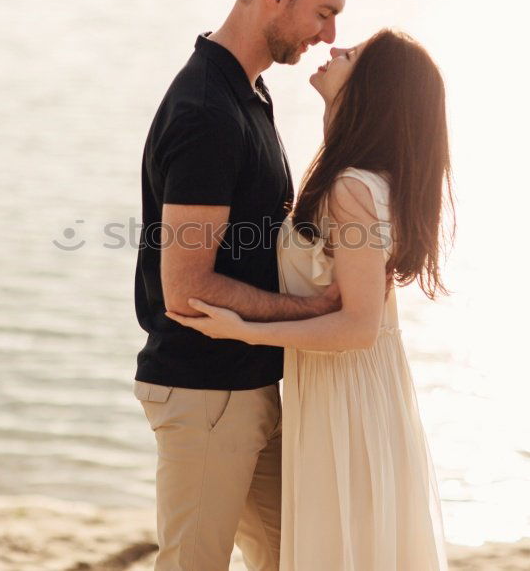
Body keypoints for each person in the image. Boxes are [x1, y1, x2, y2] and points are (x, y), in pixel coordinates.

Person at [168, 29, 455, 570]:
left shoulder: (352, 188)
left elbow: (357, 326)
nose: (335, 50)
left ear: (375, 87)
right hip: (345, 387)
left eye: (354, 55)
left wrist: (247, 330)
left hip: (346, 391)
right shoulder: (354, 175)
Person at [132, 0, 365, 571]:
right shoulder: (208, 112)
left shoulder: (248, 94)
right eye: (324, 11)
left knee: (298, 558)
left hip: (249, 383)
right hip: (207, 393)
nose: (330, 34)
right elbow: (187, 288)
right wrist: (322, 312)